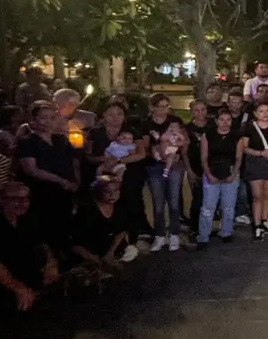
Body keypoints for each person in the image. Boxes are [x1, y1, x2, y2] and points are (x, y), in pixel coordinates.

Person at [0, 183, 59, 313]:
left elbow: (42, 245)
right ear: (2, 200)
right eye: (16, 199)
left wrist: (51, 265)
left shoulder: (30, 219)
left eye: (26, 199)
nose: (23, 203)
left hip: (29, 276)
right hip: (2, 284)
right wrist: (17, 287)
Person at [17, 101, 79, 251]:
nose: (49, 121)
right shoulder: (27, 142)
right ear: (34, 120)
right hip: (42, 192)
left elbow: (73, 161)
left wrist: (76, 181)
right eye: (44, 117)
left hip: (65, 192)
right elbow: (31, 169)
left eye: (52, 117)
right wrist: (61, 181)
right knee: (45, 227)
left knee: (64, 225)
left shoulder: (61, 140)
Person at [86, 103, 148, 243]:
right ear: (104, 115)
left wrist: (119, 160)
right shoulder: (95, 132)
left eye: (119, 113)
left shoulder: (132, 131)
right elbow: (88, 155)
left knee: (131, 198)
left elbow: (141, 154)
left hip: (128, 170)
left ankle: (134, 233)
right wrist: (103, 160)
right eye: (111, 114)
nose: (115, 117)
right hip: (103, 171)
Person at [140, 94, 185, 252]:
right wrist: (156, 150)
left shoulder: (174, 121)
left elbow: (183, 140)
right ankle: (159, 235)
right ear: (152, 107)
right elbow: (145, 145)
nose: (164, 109)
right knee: (158, 203)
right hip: (154, 165)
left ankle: (174, 234)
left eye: (167, 105)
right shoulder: (146, 124)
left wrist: (178, 151)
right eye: (161, 106)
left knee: (173, 201)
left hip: (174, 164)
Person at [198, 109, 244, 247]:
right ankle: (203, 236)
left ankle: (226, 232)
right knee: (208, 207)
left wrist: (233, 174)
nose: (225, 123)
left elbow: (238, 158)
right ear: (217, 121)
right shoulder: (208, 135)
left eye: (228, 120)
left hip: (230, 173)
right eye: (222, 119)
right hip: (211, 173)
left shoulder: (237, 137)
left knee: (228, 207)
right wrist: (208, 174)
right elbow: (204, 157)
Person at [70, 176, 136, 268]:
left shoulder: (120, 207)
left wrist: (110, 253)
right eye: (107, 191)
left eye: (116, 190)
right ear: (98, 192)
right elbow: (76, 244)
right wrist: (92, 257)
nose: (112, 195)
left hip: (110, 247)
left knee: (132, 251)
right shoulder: (86, 211)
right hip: (90, 250)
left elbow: (121, 231)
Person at [241, 102, 268, 240]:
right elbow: (244, 147)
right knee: (257, 195)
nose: (264, 114)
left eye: (267, 110)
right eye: (261, 111)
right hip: (255, 163)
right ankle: (257, 224)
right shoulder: (249, 127)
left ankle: (265, 221)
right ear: (255, 113)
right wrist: (260, 153)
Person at [184, 100, 214, 230]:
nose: (200, 113)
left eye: (203, 109)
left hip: (213, 167)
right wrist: (189, 171)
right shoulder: (187, 129)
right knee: (197, 199)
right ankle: (195, 228)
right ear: (191, 112)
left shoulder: (213, 126)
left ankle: (207, 226)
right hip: (195, 168)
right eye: (196, 110)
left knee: (211, 200)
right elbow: (184, 153)